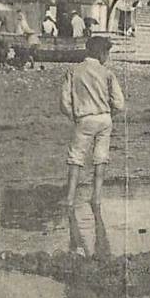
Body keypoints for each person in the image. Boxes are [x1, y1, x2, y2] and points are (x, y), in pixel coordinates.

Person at [60, 36, 126, 206]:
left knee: (76, 158)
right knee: (101, 157)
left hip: (84, 118)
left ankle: (70, 198)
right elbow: (119, 103)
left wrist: (72, 115)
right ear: (102, 53)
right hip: (104, 118)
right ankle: (96, 197)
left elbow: (64, 101)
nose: (108, 57)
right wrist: (110, 114)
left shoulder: (74, 71)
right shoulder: (107, 73)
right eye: (107, 53)